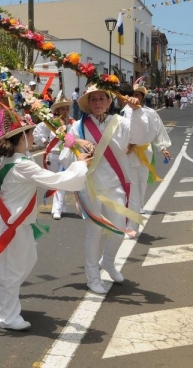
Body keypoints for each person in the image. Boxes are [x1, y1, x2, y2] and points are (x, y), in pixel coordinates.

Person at [0, 109, 89, 331]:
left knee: (27, 260)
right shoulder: (22, 164)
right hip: (11, 223)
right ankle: (7, 316)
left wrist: (71, 142)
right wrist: (80, 164)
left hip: (12, 221)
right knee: (13, 270)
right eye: (30, 135)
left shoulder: (16, 158)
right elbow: (55, 180)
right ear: (22, 138)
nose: (33, 138)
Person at [59, 85, 150, 294]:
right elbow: (65, 155)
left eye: (102, 98)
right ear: (88, 104)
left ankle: (108, 262)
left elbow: (140, 136)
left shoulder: (121, 123)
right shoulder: (79, 127)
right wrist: (76, 149)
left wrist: (137, 110)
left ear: (109, 102)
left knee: (120, 230)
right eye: (93, 100)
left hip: (115, 184)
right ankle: (92, 276)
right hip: (90, 186)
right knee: (95, 232)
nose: (98, 103)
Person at [123, 84, 171, 237]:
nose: (135, 97)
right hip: (129, 153)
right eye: (133, 94)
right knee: (131, 187)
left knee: (142, 182)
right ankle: (131, 221)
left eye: (138, 95)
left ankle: (139, 206)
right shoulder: (125, 111)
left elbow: (158, 132)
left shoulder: (151, 113)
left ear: (143, 97)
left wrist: (163, 148)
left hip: (145, 151)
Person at [32, 97, 73, 220]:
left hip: (65, 155)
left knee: (61, 181)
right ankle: (62, 206)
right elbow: (36, 133)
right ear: (58, 110)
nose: (65, 111)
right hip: (52, 155)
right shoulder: (50, 123)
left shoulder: (72, 123)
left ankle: (56, 209)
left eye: (67, 109)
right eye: (62, 109)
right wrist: (45, 142)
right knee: (55, 181)